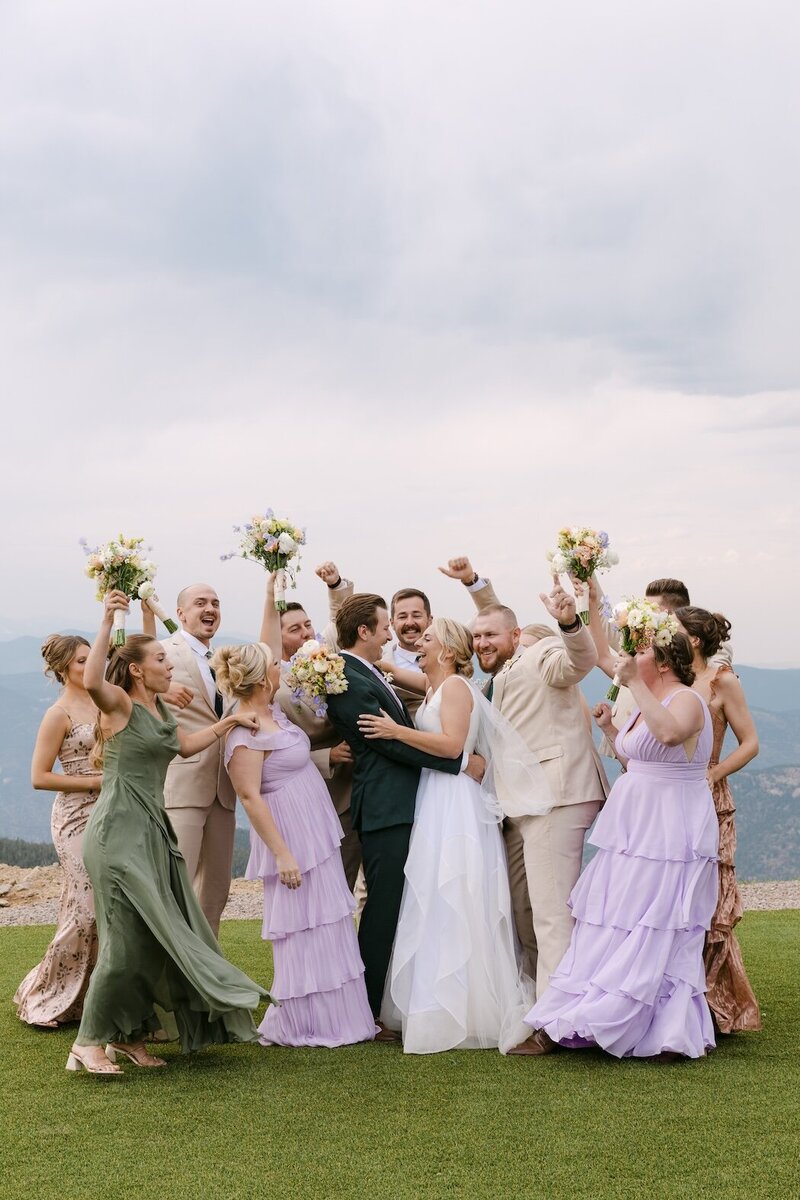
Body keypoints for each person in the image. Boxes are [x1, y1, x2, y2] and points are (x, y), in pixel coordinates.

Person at [67, 591, 268, 1076]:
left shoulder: (160, 711)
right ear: (137, 669)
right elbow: (93, 677)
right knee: (123, 940)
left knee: (148, 938)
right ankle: (88, 1041)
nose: (168, 664)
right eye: (160, 658)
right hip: (116, 832)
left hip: (153, 831)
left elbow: (184, 746)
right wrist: (107, 619)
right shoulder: (117, 706)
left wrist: (230, 722)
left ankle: (131, 1035)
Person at [522, 629, 718, 1060]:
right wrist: (612, 727)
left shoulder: (685, 699)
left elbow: (669, 736)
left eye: (641, 651)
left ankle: (665, 1027)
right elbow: (638, 759)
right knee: (621, 915)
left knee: (659, 918)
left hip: (671, 826)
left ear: (664, 663)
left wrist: (631, 684)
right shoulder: (643, 702)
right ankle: (594, 1014)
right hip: (633, 825)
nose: (629, 657)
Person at [358, 618, 551, 1053]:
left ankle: (470, 1008)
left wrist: (394, 730)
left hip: (456, 802)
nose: (417, 645)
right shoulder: (433, 686)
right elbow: (395, 671)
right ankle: (430, 1002)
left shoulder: (458, 689)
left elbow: (451, 746)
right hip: (434, 794)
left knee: (456, 888)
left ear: (446, 650)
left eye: (426, 640)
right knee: (428, 889)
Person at [440, 557, 608, 997]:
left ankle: (556, 1020)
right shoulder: (500, 671)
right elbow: (497, 622)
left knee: (551, 912)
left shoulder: (541, 656)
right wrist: (475, 584)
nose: (480, 644)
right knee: (525, 910)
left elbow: (581, 658)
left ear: (518, 637)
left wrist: (570, 623)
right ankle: (537, 998)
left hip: (555, 794)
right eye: (475, 638)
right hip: (516, 803)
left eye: (489, 637)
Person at [326, 594, 481, 1033]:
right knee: (383, 907)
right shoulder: (346, 676)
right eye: (384, 626)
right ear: (364, 631)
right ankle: (364, 1006)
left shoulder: (375, 671)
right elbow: (384, 741)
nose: (391, 633)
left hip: (411, 803)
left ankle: (393, 996)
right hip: (386, 806)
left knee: (399, 905)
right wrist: (459, 763)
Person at [217, 631, 377, 1048]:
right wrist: (283, 854)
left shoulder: (275, 713)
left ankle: (341, 1017)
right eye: (274, 664)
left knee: (329, 920)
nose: (281, 667)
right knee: (304, 926)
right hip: (288, 836)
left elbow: (291, 759)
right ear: (260, 678)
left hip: (315, 830)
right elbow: (250, 797)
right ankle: (306, 1020)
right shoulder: (243, 733)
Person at [676, 605, 761, 1033]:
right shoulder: (671, 677)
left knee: (708, 899)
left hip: (707, 795)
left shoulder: (722, 679)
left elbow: (750, 743)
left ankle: (712, 1001)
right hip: (669, 795)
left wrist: (713, 773)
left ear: (693, 639)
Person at [15, 635, 104, 1027]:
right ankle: (46, 996)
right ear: (65, 667)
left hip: (111, 811)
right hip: (74, 816)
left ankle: (88, 1000)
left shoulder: (103, 699)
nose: (90, 665)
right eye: (83, 661)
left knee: (104, 911)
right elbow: (39, 777)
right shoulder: (58, 713)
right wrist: (94, 782)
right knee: (86, 912)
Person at [268, 562, 360, 890]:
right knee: (315, 887)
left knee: (344, 886)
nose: (307, 633)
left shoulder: (328, 657)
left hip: (352, 794)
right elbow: (271, 750)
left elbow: (341, 620)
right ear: (276, 637)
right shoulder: (271, 686)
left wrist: (335, 584)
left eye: (307, 624)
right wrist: (328, 757)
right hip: (308, 796)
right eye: (295, 629)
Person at [161, 583, 236, 935]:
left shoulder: (222, 661)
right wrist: (160, 688)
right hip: (184, 785)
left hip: (225, 788)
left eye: (216, 603)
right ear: (181, 614)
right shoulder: (164, 653)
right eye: (201, 602)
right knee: (176, 885)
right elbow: (122, 683)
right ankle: (168, 973)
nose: (211, 609)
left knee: (216, 889)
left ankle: (208, 971)